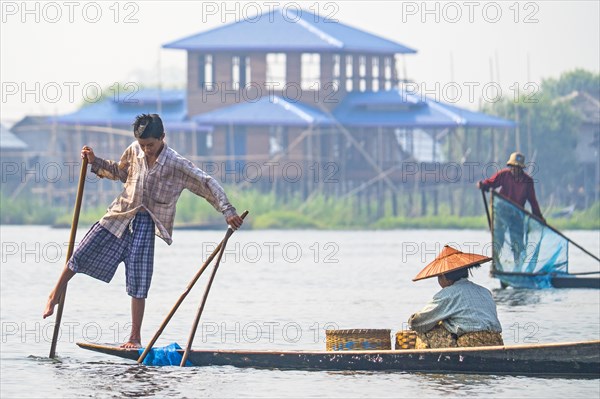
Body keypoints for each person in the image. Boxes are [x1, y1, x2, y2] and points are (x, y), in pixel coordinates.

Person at [43, 113, 244, 349]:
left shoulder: (175, 163)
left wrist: (227, 210)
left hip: (146, 223)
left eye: (150, 145)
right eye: (142, 145)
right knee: (82, 252)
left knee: (139, 280)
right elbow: (119, 173)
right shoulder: (134, 151)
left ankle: (134, 337)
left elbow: (205, 183)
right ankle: (55, 294)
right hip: (120, 214)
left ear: (162, 138)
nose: (146, 150)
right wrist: (95, 162)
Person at [408, 245, 504, 349]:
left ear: (443, 276)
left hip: (470, 344)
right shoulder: (485, 292)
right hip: (496, 342)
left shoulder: (448, 294)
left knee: (427, 329)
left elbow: (417, 322)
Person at [477, 152, 545, 264]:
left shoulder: (527, 181)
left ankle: (518, 266)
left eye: (517, 167)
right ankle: (496, 263)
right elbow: (490, 183)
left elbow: (533, 202)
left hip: (517, 215)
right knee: (498, 238)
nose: (514, 169)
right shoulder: (504, 175)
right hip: (501, 212)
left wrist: (539, 217)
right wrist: (482, 185)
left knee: (517, 242)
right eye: (512, 167)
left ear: (521, 168)